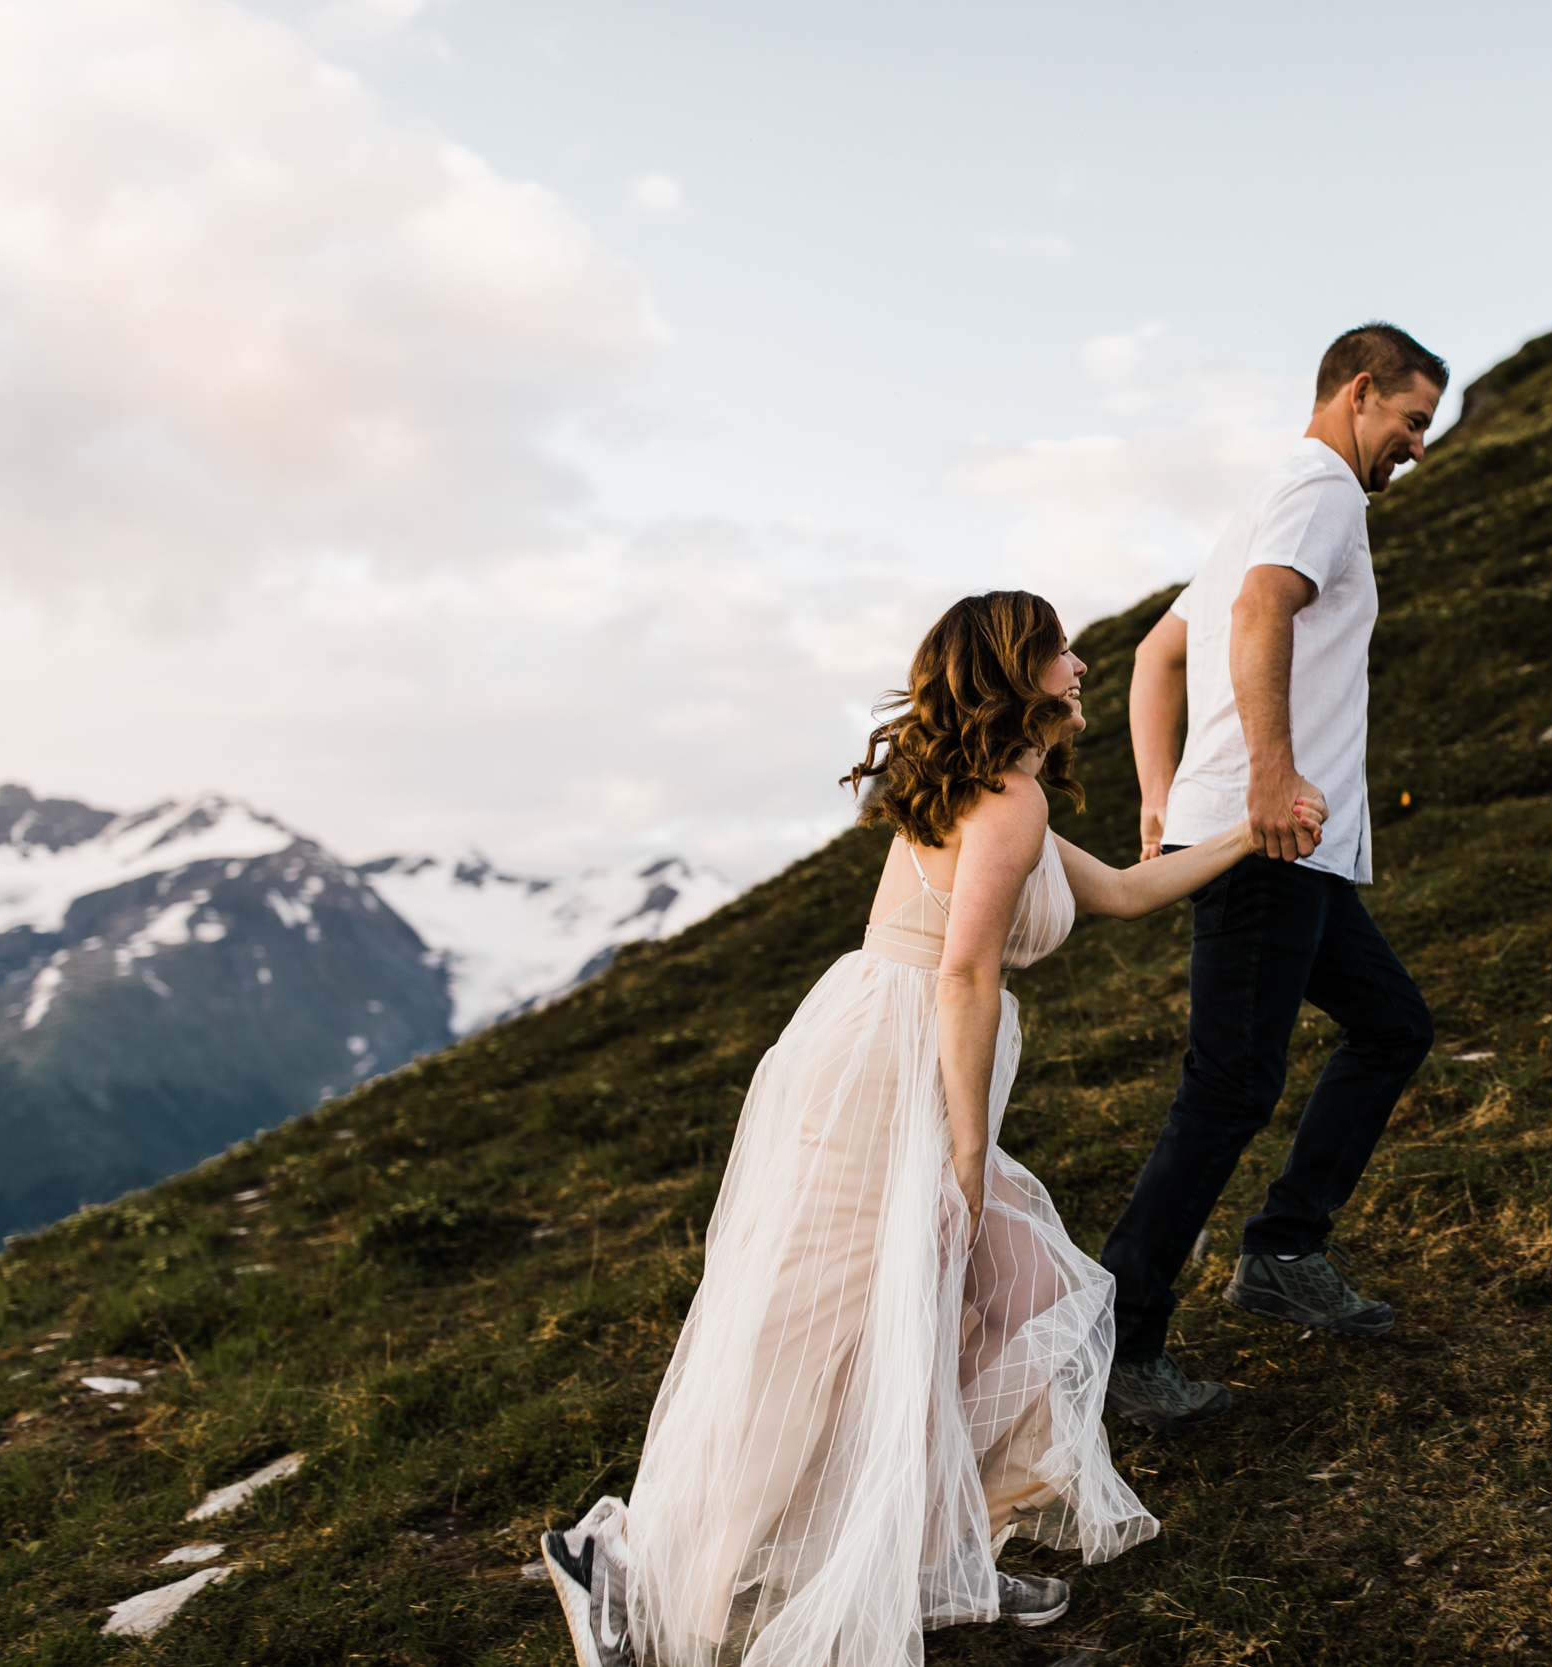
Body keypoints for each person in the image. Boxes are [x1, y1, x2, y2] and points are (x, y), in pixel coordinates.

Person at [539, 591, 1325, 1667]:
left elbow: (1132, 893)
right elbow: (962, 974)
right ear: (1016, 672)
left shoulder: (1014, 802)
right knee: (822, 1331)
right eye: (1057, 650)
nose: (1080, 664)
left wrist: (1253, 829)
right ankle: (624, 1561)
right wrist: (962, 1154)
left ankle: (927, 1544)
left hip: (902, 1061)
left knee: (1001, 1300)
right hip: (888, 1077)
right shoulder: (1001, 805)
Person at [1099, 323, 1445, 1437]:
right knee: (1231, 1085)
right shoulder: (1319, 486)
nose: (1414, 447)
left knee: (1391, 1023)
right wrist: (1267, 776)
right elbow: (1256, 613)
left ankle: (1285, 1249)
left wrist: (1162, 799)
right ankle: (1121, 1340)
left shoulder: (1269, 495)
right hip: (1271, 834)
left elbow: (1158, 650)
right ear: (1358, 393)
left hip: (1284, 837)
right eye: (1410, 421)